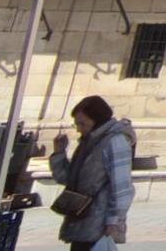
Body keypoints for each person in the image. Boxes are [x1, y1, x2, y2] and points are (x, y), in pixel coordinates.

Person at [49, 95, 136, 251]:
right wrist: (59, 153)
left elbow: (122, 186)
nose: (79, 129)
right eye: (76, 124)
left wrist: (113, 221)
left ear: (98, 120)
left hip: (99, 222)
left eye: (83, 123)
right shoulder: (88, 142)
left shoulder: (115, 141)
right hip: (81, 219)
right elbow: (66, 178)